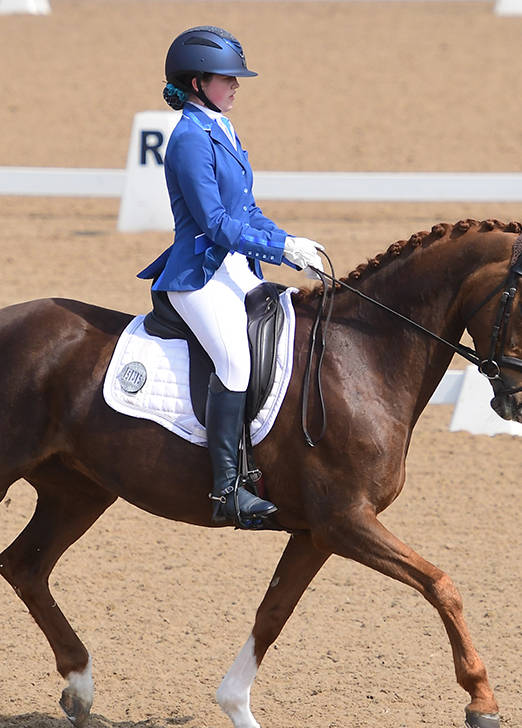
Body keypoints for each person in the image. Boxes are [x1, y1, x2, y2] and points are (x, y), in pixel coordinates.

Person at [137, 26, 325, 529]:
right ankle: (226, 489)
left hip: (238, 269)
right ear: (197, 82)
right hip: (199, 275)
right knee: (236, 363)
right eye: (228, 78)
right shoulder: (188, 140)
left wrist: (289, 240)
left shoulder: (222, 129)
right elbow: (216, 222)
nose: (237, 86)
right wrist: (280, 249)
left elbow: (248, 211)